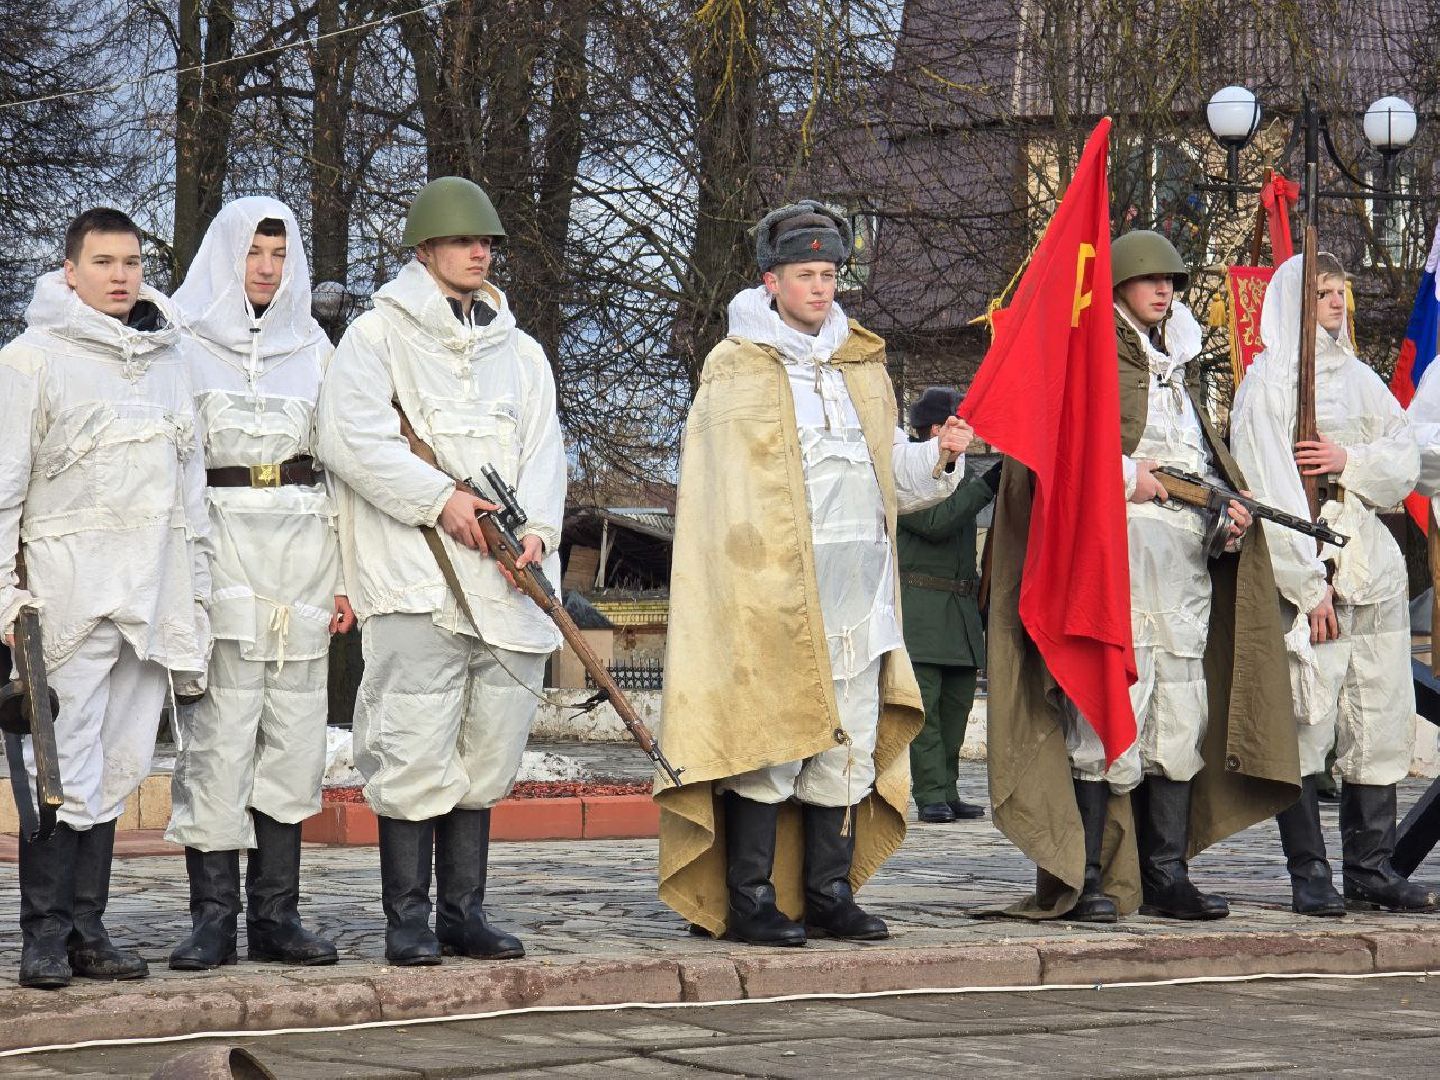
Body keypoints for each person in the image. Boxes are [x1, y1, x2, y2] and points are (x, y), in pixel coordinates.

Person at [656, 201, 971, 946]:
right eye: (807, 275)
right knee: (769, 745)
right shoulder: (735, 370)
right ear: (772, 281)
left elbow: (889, 473)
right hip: (770, 598)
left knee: (846, 743)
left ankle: (830, 891)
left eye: (830, 274)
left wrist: (942, 456)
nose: (822, 288)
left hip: (858, 598)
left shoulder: (862, 365)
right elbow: (718, 500)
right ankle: (750, 897)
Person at [987, 230, 1298, 926]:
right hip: (1114, 561)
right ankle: (1091, 875)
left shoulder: (1178, 367)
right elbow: (1065, 456)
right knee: (1106, 717)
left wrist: (1228, 517)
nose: (1166, 291)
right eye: (1152, 279)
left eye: (1174, 282)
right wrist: (1136, 480)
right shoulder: (1092, 358)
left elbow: (1202, 468)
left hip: (1181, 570)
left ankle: (1166, 875)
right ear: (1120, 282)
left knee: (1179, 721)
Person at [316, 177, 566, 965]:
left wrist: (543, 532)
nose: (478, 251)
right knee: (414, 744)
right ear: (424, 250)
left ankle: (464, 913)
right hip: (415, 577)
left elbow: (545, 449)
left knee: (487, 748)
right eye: (462, 240)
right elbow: (350, 441)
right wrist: (439, 500)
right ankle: (408, 921)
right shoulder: (375, 339)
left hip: (503, 581)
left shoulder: (520, 353)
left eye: (486, 241)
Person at [0, 208, 212, 989]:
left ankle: (89, 930)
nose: (121, 276)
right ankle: (43, 936)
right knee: (58, 768)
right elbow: (2, 493)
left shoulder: (169, 361)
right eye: (103, 262)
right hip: (67, 595)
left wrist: (196, 595)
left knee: (118, 765)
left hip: (151, 593)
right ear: (69, 272)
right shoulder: (29, 362)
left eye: (131, 261)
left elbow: (191, 494)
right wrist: (5, 599)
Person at [165, 197, 347, 970]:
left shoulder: (316, 348)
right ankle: (213, 919)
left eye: (279, 255)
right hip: (221, 548)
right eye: (253, 254)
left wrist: (346, 579)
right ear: (227, 255)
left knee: (295, 741)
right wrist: (183, 581)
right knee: (218, 740)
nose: (267, 269)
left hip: (304, 554)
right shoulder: (183, 344)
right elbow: (175, 472)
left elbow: (342, 466)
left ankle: (278, 915)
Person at [1233, 252, 1436, 914]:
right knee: (1308, 724)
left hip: (1372, 568)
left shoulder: (1360, 380)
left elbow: (1403, 456)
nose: (1337, 302)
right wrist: (1306, 583)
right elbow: (1269, 489)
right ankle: (1309, 871)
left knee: (1377, 718)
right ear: (1295, 299)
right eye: (1322, 292)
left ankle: (1372, 868)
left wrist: (1351, 461)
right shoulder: (1268, 385)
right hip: (1313, 569)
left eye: (1340, 291)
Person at [898, 387, 998, 824]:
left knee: (956, 709)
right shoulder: (906, 479)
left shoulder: (959, 478)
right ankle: (930, 793)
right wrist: (988, 484)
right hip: (922, 610)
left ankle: (950, 789)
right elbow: (938, 523)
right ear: (937, 430)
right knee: (927, 713)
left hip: (957, 613)